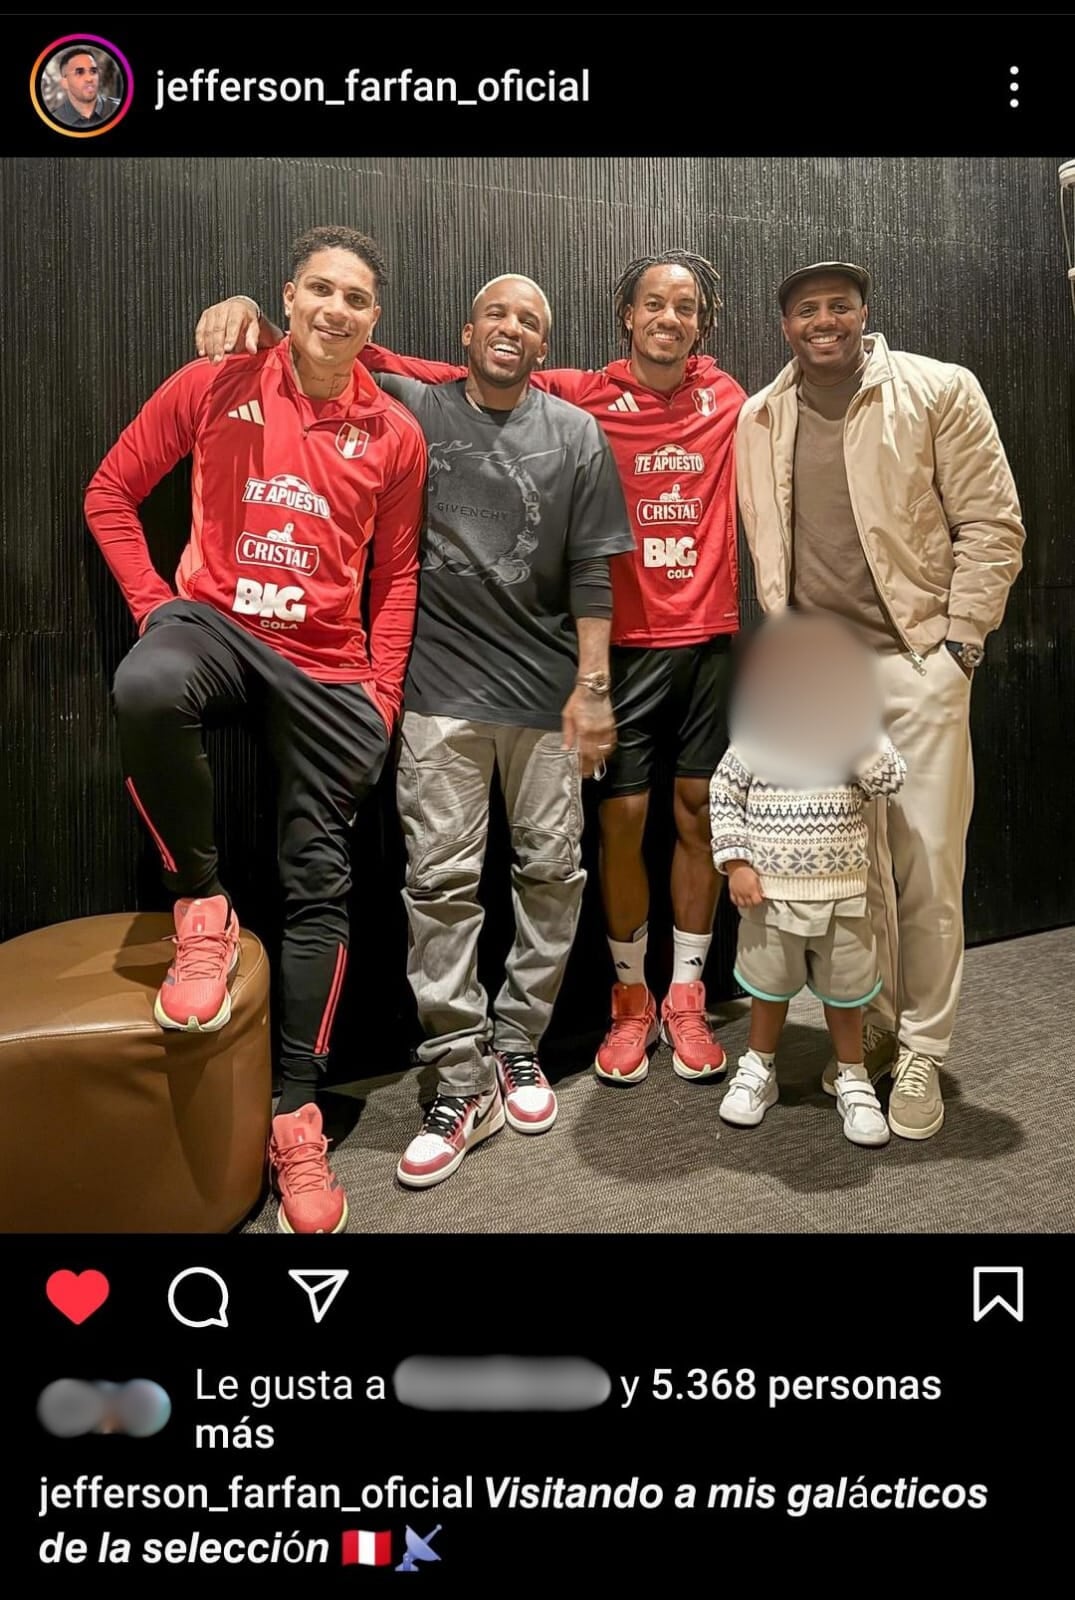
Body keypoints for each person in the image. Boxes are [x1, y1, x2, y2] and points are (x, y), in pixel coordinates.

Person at [195, 250, 745, 1091]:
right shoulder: (443, 402)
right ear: (467, 333)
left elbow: (595, 562)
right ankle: (476, 1058)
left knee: (581, 863)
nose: (512, 330)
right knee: (451, 880)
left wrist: (588, 687)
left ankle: (592, 1020)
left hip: (593, 679)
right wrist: (254, 317)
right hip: (452, 694)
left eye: (529, 321)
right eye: (498, 315)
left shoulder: (660, 411)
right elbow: (342, 350)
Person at [84, 226, 428, 1232]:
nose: (335, 308)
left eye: (355, 298)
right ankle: (201, 907)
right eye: (319, 289)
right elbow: (110, 492)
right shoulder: (217, 379)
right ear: (288, 297)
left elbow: (398, 574)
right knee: (148, 686)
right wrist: (154, 603)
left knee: (320, 881)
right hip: (215, 625)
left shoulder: (395, 433)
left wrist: (383, 691)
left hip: (328, 667)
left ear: (374, 320)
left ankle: (295, 1115)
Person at [736, 261, 1025, 1139]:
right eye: (804, 309)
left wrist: (958, 645)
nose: (822, 321)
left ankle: (923, 1053)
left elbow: (992, 523)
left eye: (838, 305)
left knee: (927, 869)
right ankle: (880, 1033)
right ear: (784, 324)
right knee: (851, 880)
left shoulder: (938, 389)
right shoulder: (759, 416)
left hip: (915, 662)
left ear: (863, 312)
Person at [710, 612, 907, 1146]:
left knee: (846, 998)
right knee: (769, 991)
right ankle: (760, 1066)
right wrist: (737, 862)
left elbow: (891, 778)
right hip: (770, 899)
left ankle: (853, 1076)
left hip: (842, 896)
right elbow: (724, 796)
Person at [51, 47, 121, 127]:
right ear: (64, 83)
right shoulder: (54, 120)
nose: (89, 78)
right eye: (80, 72)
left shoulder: (119, 108)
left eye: (93, 71)